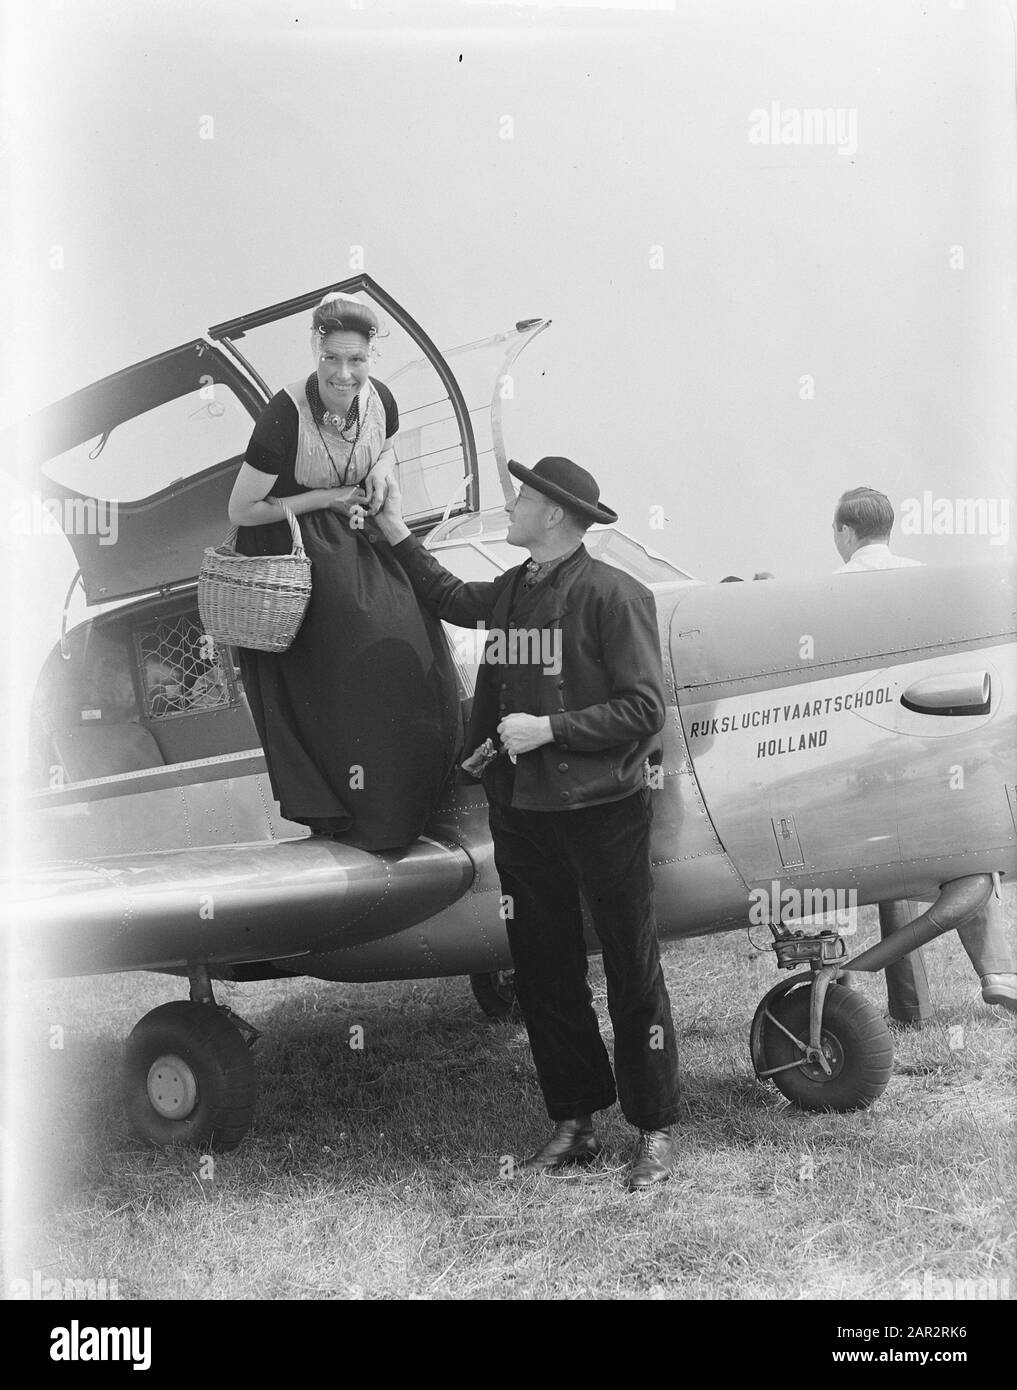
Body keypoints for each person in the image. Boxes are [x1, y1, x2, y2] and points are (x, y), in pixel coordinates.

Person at [375, 456, 682, 1191]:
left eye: (519, 501)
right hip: (522, 815)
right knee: (543, 971)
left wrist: (550, 729)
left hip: (603, 812)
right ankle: (573, 1121)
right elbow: (450, 594)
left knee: (631, 970)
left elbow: (644, 709)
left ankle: (653, 1131)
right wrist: (389, 529)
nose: (507, 509)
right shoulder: (513, 589)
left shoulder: (617, 595)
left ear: (552, 514)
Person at [226, 293, 460, 850]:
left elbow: (387, 450)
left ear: (371, 357)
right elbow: (242, 510)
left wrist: (379, 475)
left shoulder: (382, 401)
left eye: (356, 360)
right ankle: (363, 821)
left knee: (416, 647)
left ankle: (416, 805)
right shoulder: (282, 419)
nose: (344, 373)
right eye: (332, 358)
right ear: (315, 349)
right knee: (353, 667)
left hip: (357, 536)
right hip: (292, 551)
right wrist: (326, 497)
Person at [832, 487, 1017, 1018]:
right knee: (965, 850)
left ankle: (911, 1005)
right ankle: (998, 971)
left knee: (893, 869)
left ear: (845, 533)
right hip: (938, 738)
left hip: (872, 748)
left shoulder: (833, 591)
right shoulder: (923, 581)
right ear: (890, 529)